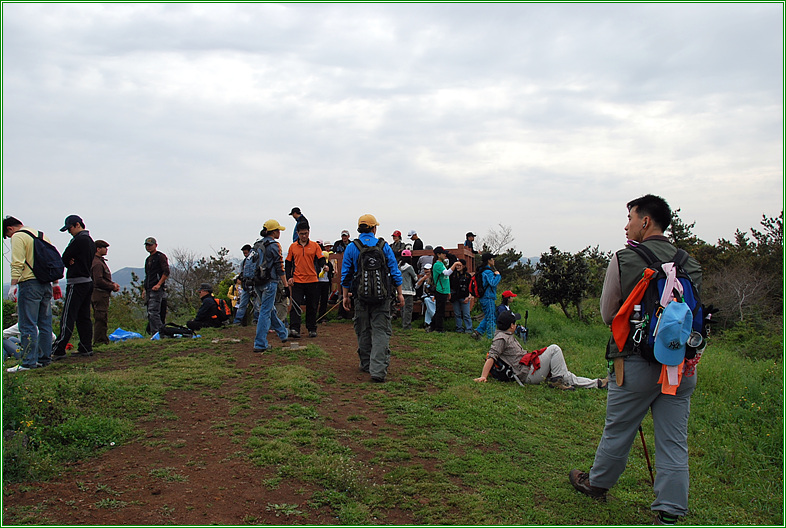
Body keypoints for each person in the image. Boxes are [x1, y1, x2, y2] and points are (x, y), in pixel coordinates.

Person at [568, 194, 702, 526]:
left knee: (619, 429)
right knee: (673, 439)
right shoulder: (690, 263)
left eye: (630, 216)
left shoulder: (626, 259)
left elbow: (607, 314)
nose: (626, 223)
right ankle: (670, 510)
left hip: (635, 364)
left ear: (645, 221)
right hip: (680, 367)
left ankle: (597, 483)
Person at [341, 214, 404, 383]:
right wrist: (399, 293)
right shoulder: (384, 246)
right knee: (381, 331)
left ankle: (366, 363)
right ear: (374, 228)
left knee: (363, 329)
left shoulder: (352, 247)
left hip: (360, 296)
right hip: (382, 296)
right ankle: (378, 371)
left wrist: (345, 296)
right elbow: (394, 271)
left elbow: (346, 274)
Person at [474, 311, 606, 390]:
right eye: (515, 322)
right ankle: (558, 382)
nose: (516, 324)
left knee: (565, 374)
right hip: (527, 374)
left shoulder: (507, 335)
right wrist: (483, 376)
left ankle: (597, 383)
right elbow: (492, 356)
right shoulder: (501, 338)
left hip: (530, 368)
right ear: (511, 326)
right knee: (554, 349)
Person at [3, 216, 58, 371]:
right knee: (45, 323)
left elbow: (17, 262)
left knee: (27, 324)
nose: (8, 238)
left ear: (10, 229)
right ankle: (44, 359)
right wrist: (55, 283)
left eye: (7, 236)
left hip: (29, 283)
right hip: (46, 283)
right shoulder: (41, 235)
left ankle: (28, 362)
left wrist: (13, 285)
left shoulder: (19, 236)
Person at [52, 215, 96, 360]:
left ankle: (58, 349)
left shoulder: (78, 240)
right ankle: (85, 346)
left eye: (70, 228)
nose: (69, 232)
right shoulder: (90, 241)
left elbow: (64, 257)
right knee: (83, 316)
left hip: (76, 282)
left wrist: (68, 261)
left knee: (68, 315)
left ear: (77, 225)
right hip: (87, 281)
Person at [253, 220, 290, 353]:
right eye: (278, 230)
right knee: (265, 311)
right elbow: (280, 267)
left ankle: (282, 333)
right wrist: (285, 285)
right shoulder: (274, 245)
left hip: (257, 282)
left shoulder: (257, 244)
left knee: (269, 308)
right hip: (270, 281)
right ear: (273, 232)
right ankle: (260, 343)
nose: (279, 232)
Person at [285, 223, 326, 338]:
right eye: (302, 234)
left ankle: (312, 328)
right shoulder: (293, 247)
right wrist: (289, 277)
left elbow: (321, 259)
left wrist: (324, 266)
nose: (304, 236)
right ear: (297, 233)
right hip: (297, 281)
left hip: (312, 280)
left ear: (309, 232)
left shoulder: (314, 246)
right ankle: (294, 328)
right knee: (296, 305)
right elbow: (288, 263)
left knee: (312, 306)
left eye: (306, 233)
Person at [91, 239, 120, 346]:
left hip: (101, 293)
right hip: (99, 293)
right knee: (100, 317)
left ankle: (101, 339)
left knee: (102, 316)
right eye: (104, 247)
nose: (106, 249)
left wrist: (112, 284)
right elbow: (98, 280)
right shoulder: (97, 263)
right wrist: (112, 286)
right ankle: (100, 341)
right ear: (98, 249)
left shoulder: (99, 261)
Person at [472, 253, 502, 340]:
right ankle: (491, 337)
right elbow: (493, 283)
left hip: (483, 297)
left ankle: (478, 332)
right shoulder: (488, 272)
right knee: (491, 318)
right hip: (488, 297)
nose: (494, 260)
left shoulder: (482, 270)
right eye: (492, 259)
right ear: (489, 260)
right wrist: (498, 275)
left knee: (489, 315)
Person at [143, 237, 169, 336]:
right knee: (154, 311)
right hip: (149, 288)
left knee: (153, 311)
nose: (148, 247)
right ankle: (157, 331)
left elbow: (166, 272)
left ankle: (158, 332)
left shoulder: (160, 257)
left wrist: (159, 284)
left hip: (157, 288)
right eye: (147, 245)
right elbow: (147, 275)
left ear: (155, 245)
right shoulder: (148, 259)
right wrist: (144, 290)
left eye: (150, 245)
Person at [431, 246, 460, 333]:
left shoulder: (441, 264)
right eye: (443, 253)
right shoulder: (437, 265)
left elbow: (445, 280)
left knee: (440, 310)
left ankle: (432, 326)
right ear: (438, 254)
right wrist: (454, 265)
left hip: (443, 290)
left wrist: (448, 291)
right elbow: (447, 273)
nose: (445, 255)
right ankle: (439, 328)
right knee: (440, 311)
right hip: (440, 290)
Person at [234, 244, 259, 326]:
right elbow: (241, 273)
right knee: (242, 304)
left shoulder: (255, 260)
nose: (245, 255)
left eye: (246, 253)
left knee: (257, 304)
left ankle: (256, 320)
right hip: (246, 286)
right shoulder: (244, 262)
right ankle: (238, 320)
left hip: (254, 285)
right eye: (244, 253)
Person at [450, 258, 473, 334]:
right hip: (455, 297)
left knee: (466, 314)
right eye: (457, 265)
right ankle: (459, 328)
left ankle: (469, 329)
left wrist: (469, 296)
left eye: (459, 265)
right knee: (457, 314)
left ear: (463, 266)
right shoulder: (453, 275)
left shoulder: (468, 276)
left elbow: (471, 287)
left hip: (464, 296)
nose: (458, 267)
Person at [398, 250, 418, 330]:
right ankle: (407, 326)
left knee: (402, 308)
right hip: (409, 290)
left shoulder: (398, 266)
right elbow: (415, 278)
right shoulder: (409, 267)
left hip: (400, 290)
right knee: (408, 309)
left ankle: (403, 323)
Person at [316, 242, 334, 323]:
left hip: (326, 283)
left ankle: (322, 316)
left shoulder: (329, 264)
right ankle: (313, 317)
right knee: (315, 300)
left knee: (324, 300)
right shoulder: (316, 264)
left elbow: (331, 273)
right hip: (318, 282)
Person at [416, 263, 436, 330]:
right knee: (427, 301)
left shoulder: (434, 278)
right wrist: (422, 279)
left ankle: (428, 322)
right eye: (425, 270)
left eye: (428, 270)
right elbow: (416, 286)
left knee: (428, 306)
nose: (426, 271)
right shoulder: (423, 278)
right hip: (425, 296)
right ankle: (434, 317)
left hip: (433, 296)